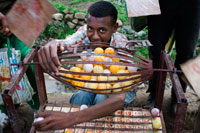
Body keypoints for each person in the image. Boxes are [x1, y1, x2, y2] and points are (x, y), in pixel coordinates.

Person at [34, 1, 136, 131]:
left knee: (101, 98)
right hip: (96, 81)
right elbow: (66, 43)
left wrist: (72, 118)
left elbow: (119, 98)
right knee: (81, 96)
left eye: (102, 30)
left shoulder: (122, 47)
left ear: (114, 28)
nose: (94, 36)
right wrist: (54, 44)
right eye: (90, 29)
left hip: (121, 89)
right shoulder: (85, 32)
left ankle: (97, 127)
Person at [145, 0, 200, 109]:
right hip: (161, 3)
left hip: (193, 5)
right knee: (156, 48)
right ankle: (154, 94)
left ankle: (178, 97)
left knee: (187, 51)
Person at [0, 0, 40, 114]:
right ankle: (6, 111)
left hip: (16, 15)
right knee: (2, 68)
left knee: (26, 58)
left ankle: (38, 106)